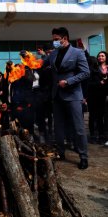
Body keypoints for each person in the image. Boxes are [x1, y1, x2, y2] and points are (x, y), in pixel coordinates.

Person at [42, 27, 90, 170]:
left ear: (65, 38)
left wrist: (68, 81)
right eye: (53, 39)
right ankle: (61, 152)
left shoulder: (77, 53)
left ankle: (83, 157)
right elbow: (41, 65)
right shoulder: (53, 54)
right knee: (58, 127)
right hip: (57, 95)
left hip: (73, 94)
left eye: (56, 39)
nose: (54, 42)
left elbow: (85, 73)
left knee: (78, 128)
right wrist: (28, 59)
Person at [87, 51, 108, 144]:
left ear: (106, 57)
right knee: (92, 116)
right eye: (99, 56)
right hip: (93, 95)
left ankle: (101, 135)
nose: (100, 57)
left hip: (104, 96)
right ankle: (92, 135)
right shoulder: (93, 68)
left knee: (101, 116)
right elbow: (89, 83)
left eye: (102, 56)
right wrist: (99, 83)